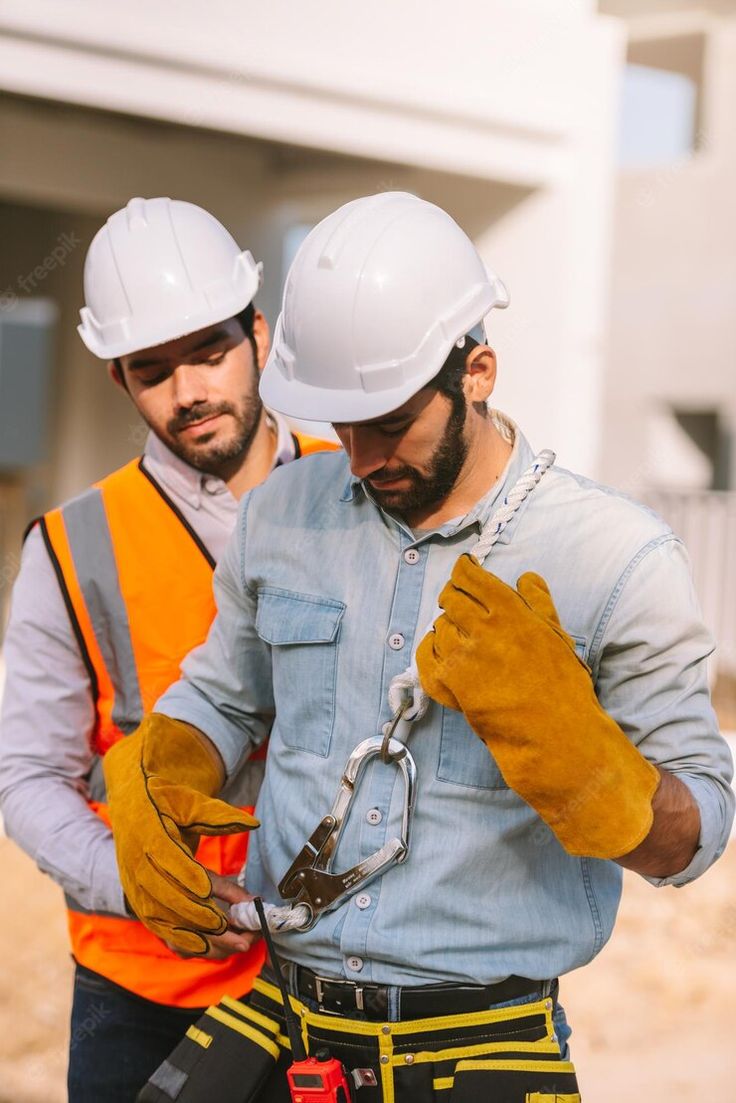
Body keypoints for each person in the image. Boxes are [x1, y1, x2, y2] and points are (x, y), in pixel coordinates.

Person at [103, 192, 734, 1102]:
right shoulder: (282, 513)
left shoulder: (615, 559)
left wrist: (594, 769)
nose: (358, 457)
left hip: (485, 1041)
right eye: (341, 423)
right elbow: (223, 697)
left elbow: (700, 830)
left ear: (476, 371)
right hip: (286, 1014)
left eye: (389, 423)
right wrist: (161, 766)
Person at [0, 196, 335, 1103]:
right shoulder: (72, 548)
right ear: (120, 380)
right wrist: (130, 881)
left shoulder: (357, 493)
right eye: (153, 369)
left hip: (335, 977)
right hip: (144, 991)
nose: (188, 390)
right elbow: (27, 773)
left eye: (210, 351)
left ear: (258, 334)